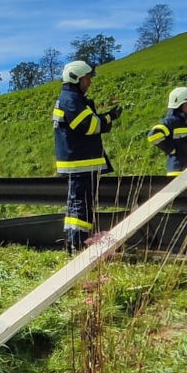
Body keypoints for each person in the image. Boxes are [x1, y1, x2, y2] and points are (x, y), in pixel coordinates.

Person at [53, 60, 121, 253]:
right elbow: (89, 126)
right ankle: (78, 245)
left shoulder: (71, 98)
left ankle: (75, 243)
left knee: (79, 204)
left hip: (81, 162)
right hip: (80, 163)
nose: (89, 82)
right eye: (87, 78)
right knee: (80, 205)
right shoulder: (71, 99)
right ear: (76, 78)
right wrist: (109, 117)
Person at [148, 86, 187, 175]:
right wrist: (171, 150)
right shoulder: (172, 122)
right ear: (179, 105)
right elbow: (153, 135)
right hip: (177, 171)